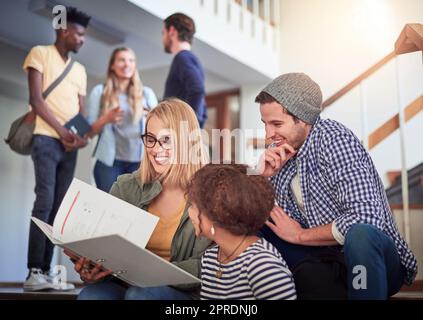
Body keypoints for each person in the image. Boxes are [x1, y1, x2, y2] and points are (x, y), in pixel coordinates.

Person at [255, 73, 418, 299]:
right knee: (252, 224)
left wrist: (301, 235)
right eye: (265, 124)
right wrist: (261, 177)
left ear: (303, 119)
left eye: (276, 124)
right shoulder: (282, 153)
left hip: (370, 262)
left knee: (360, 234)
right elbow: (263, 215)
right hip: (324, 261)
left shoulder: (334, 140)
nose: (268, 135)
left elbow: (365, 218)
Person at [66, 98, 211, 300]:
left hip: (182, 293)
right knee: (91, 295)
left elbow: (208, 265)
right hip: (126, 286)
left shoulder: (210, 195)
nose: (155, 148)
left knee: (139, 295)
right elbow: (107, 250)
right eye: (150, 138)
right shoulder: (126, 187)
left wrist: (151, 272)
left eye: (166, 139)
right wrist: (92, 269)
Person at [23, 7, 91, 292]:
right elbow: (37, 101)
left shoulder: (80, 70)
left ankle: (49, 272)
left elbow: (81, 111)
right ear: (64, 31)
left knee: (61, 208)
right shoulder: (39, 53)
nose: (83, 39)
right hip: (46, 139)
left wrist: (82, 136)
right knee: (45, 199)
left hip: (69, 146)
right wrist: (62, 132)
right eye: (79, 33)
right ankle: (34, 272)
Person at [187, 164, 297, 300]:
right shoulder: (210, 258)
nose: (189, 212)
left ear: (213, 216)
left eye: (192, 205)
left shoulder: (262, 266)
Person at [86, 47, 158, 192]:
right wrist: (106, 118)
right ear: (112, 65)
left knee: (136, 211)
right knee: (109, 209)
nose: (127, 64)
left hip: (140, 163)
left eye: (131, 60)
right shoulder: (100, 92)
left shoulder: (147, 94)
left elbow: (161, 129)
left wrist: (153, 117)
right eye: (122, 60)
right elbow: (88, 132)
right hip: (109, 163)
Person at [162, 12, 207, 128]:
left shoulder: (182, 58)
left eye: (163, 33)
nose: (163, 38)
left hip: (181, 133)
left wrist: (185, 124)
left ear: (171, 31)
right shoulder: (192, 60)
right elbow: (203, 107)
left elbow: (198, 89)